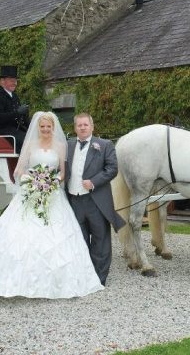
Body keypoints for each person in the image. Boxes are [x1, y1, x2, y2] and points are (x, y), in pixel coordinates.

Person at [0, 112, 103, 299]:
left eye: (49, 127)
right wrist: (30, 181)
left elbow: (63, 173)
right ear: (38, 128)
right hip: (30, 193)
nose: (46, 130)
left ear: (53, 128)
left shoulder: (60, 146)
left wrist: (52, 182)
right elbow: (19, 169)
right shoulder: (31, 145)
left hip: (53, 194)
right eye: (42, 127)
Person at [66, 113, 125, 286]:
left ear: (92, 126)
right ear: (75, 128)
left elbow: (112, 168)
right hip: (74, 200)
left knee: (100, 240)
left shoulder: (105, 145)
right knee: (79, 239)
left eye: (85, 124)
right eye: (79, 125)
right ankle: (83, 276)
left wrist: (94, 182)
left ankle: (99, 279)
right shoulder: (68, 145)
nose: (82, 127)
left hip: (96, 201)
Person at [0, 65, 29, 153]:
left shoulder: (14, 96)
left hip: (16, 129)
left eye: (16, 80)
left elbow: (21, 117)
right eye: (12, 80)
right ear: (2, 81)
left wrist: (30, 127)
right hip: (2, 131)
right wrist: (17, 112)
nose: (15, 83)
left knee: (35, 137)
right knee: (26, 141)